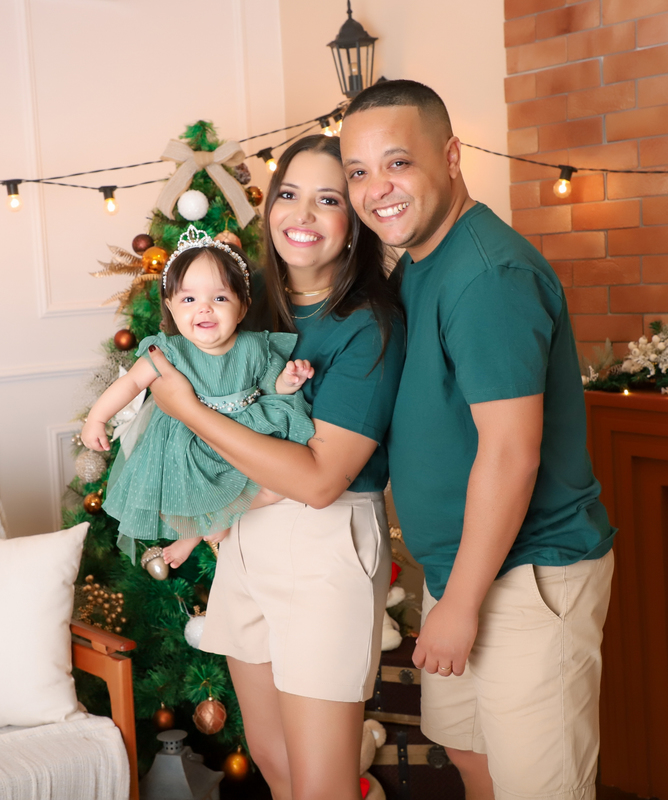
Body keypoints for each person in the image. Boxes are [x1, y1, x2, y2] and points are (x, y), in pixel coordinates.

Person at [340, 79, 616, 800]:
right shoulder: (421, 263)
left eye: (398, 163)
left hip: (527, 575)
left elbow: (511, 452)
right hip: (463, 571)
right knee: (471, 756)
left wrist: (458, 606)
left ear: (452, 156)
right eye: (358, 172)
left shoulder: (489, 275)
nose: (376, 189)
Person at [144, 134, 405, 800]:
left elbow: (319, 480)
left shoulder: (366, 324)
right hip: (247, 533)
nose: (302, 214)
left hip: (324, 543)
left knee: (322, 785)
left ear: (355, 220)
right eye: (288, 194)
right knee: (275, 763)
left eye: (329, 200)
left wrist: (188, 410)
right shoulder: (246, 302)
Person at [80, 226, 316, 568]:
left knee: (278, 486)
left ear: (243, 307)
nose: (204, 309)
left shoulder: (255, 346)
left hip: (247, 435)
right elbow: (131, 384)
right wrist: (97, 418)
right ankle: (193, 533)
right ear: (171, 307)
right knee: (181, 500)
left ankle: (221, 519)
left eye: (219, 299)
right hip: (191, 443)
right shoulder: (170, 352)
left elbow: (271, 387)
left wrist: (289, 381)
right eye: (189, 300)